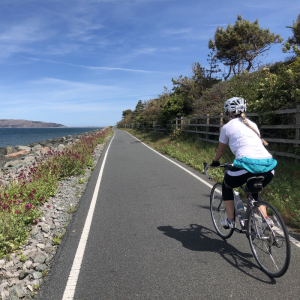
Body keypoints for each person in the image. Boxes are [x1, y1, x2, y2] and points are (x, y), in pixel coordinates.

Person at [210, 97, 277, 229]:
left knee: (226, 185)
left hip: (248, 165)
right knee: (253, 189)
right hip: (269, 167)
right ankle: (266, 221)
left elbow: (221, 149)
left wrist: (215, 162)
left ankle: (230, 220)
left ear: (228, 113)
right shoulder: (252, 124)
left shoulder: (227, 127)